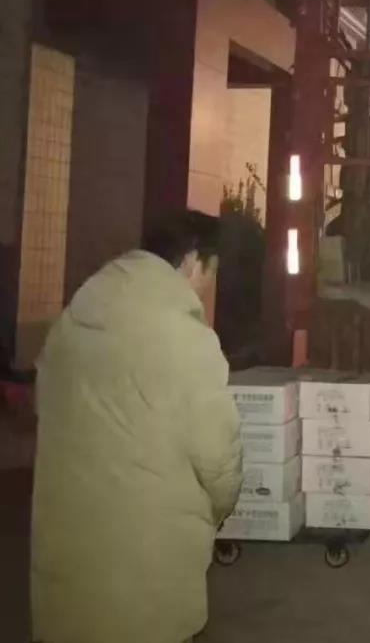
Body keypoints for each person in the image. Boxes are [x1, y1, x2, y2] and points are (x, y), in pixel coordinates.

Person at [31, 211, 243, 643]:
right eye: (211, 272)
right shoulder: (186, 339)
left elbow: (45, 405)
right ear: (192, 260)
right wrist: (223, 507)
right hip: (147, 553)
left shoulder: (70, 323)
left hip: (69, 543)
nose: (207, 285)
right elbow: (217, 455)